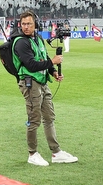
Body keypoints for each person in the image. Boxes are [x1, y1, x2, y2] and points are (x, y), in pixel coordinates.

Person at [11, 10, 77, 166]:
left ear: (36, 25)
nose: (26, 27)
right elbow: (31, 64)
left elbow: (43, 58)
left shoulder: (38, 39)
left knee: (49, 117)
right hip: (30, 83)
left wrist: (53, 72)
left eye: (29, 24)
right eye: (24, 24)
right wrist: (53, 62)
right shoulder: (20, 42)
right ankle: (32, 154)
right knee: (34, 120)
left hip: (42, 82)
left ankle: (56, 152)